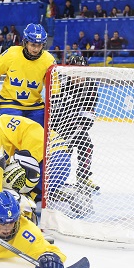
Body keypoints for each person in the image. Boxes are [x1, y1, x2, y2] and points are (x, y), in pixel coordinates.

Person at [0, 107, 70, 205]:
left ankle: (43, 193)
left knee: (14, 179)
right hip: (56, 154)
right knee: (16, 178)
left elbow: (35, 135)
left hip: (53, 155)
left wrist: (30, 161)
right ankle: (43, 194)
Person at [0, 23, 55, 127]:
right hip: (9, 103)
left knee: (40, 137)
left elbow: (53, 83)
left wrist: (55, 96)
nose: (36, 49)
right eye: (33, 45)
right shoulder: (11, 54)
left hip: (35, 106)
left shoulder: (48, 60)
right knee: (11, 138)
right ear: (25, 42)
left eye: (39, 45)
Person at [50, 55, 100, 191]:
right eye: (75, 72)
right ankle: (55, 179)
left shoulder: (90, 88)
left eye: (81, 72)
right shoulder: (60, 84)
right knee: (62, 152)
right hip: (57, 125)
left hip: (76, 125)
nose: (79, 76)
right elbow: (53, 109)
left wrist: (80, 127)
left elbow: (89, 113)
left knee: (87, 145)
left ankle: (83, 177)